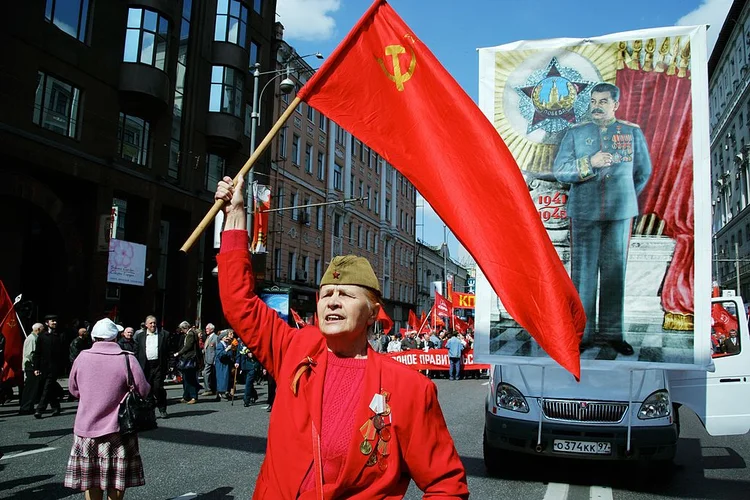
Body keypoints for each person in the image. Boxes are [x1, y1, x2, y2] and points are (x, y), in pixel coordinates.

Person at [214, 176, 468, 499]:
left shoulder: (410, 391)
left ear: (373, 312)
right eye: (327, 294)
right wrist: (236, 215)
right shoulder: (295, 348)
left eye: (346, 294)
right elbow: (239, 303)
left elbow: (446, 486)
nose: (332, 300)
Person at [552, 82, 652, 355]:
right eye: (594, 101)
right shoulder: (576, 134)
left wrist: (625, 195)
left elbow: (643, 172)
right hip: (584, 213)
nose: (597, 106)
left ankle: (612, 335)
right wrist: (589, 164)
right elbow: (560, 170)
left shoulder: (631, 133)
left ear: (615, 104)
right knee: (582, 276)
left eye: (603, 101)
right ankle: (582, 336)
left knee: (614, 275)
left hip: (619, 213)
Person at [63, 318, 149, 499]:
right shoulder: (127, 358)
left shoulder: (82, 357)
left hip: (87, 429)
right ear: (116, 337)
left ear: (94, 337)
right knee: (116, 482)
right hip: (119, 430)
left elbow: (73, 389)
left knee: (92, 481)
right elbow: (143, 390)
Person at [134, 315, 170, 419]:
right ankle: (150, 411)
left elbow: (168, 351)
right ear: (146, 325)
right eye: (151, 323)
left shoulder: (164, 334)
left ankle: (162, 408)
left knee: (157, 388)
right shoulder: (140, 336)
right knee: (147, 389)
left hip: (159, 365)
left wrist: (171, 365)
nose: (153, 325)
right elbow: (136, 352)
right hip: (146, 366)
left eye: (154, 323)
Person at [34, 314, 65, 418]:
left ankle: (40, 409)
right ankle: (56, 406)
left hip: (55, 367)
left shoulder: (60, 335)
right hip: (44, 367)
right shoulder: (42, 336)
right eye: (52, 321)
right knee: (48, 387)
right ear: (47, 323)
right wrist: (36, 368)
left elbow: (63, 352)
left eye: (56, 321)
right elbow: (37, 353)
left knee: (47, 387)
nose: (54, 323)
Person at [19, 322, 44, 415]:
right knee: (30, 388)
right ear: (38, 330)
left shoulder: (35, 338)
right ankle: (26, 407)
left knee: (33, 388)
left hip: (32, 366)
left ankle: (29, 406)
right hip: (31, 366)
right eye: (42, 329)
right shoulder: (32, 339)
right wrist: (35, 366)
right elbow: (30, 354)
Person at [174, 321, 200, 404]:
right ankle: (186, 396)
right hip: (187, 358)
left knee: (190, 378)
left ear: (185, 328)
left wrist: (179, 353)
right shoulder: (189, 334)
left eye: (182, 329)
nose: (181, 331)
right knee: (185, 379)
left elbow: (188, 346)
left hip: (190, 359)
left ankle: (193, 396)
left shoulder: (191, 334)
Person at [236, 339, 258, 407]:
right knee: (248, 383)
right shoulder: (240, 343)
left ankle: (246, 399)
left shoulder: (252, 341)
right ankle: (254, 395)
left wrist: (250, 354)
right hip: (244, 366)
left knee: (248, 383)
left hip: (251, 365)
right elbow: (238, 354)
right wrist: (237, 362)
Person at [215, 329, 236, 400]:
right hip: (221, 365)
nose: (227, 338)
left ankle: (226, 392)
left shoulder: (227, 344)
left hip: (227, 364)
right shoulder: (220, 345)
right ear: (222, 338)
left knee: (227, 378)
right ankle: (221, 392)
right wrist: (226, 350)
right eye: (226, 337)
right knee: (222, 378)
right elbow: (220, 355)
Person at [200, 323, 218, 395]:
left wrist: (215, 360)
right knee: (209, 374)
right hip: (206, 359)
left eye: (207, 329)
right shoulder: (208, 337)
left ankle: (208, 389)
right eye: (206, 328)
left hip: (211, 359)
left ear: (212, 329)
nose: (206, 330)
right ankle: (211, 388)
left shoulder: (215, 337)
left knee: (205, 373)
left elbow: (216, 349)